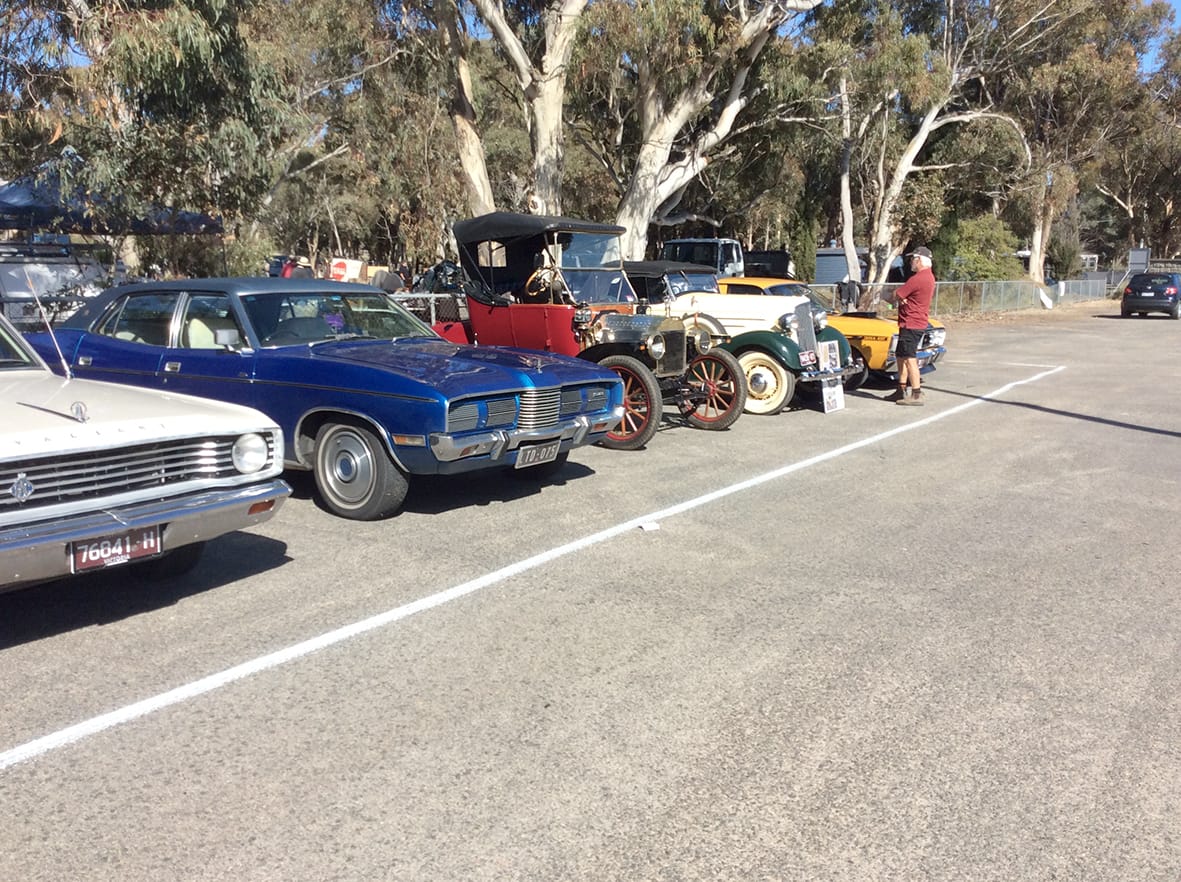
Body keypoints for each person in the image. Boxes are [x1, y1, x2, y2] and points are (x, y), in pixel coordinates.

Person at [886, 245, 936, 406]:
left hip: (912, 323)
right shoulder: (927, 277)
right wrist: (902, 298)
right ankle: (901, 389)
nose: (911, 262)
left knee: (909, 358)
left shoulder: (919, 278)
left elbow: (897, 294)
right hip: (910, 322)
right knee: (901, 356)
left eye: (913, 259)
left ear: (920, 260)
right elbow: (904, 296)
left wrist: (894, 296)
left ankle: (916, 393)